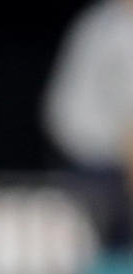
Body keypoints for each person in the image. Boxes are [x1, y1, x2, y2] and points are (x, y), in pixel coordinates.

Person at [43, 0, 133, 248]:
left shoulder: (100, 17)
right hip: (93, 161)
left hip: (84, 153)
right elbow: (128, 127)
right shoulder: (117, 29)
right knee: (101, 246)